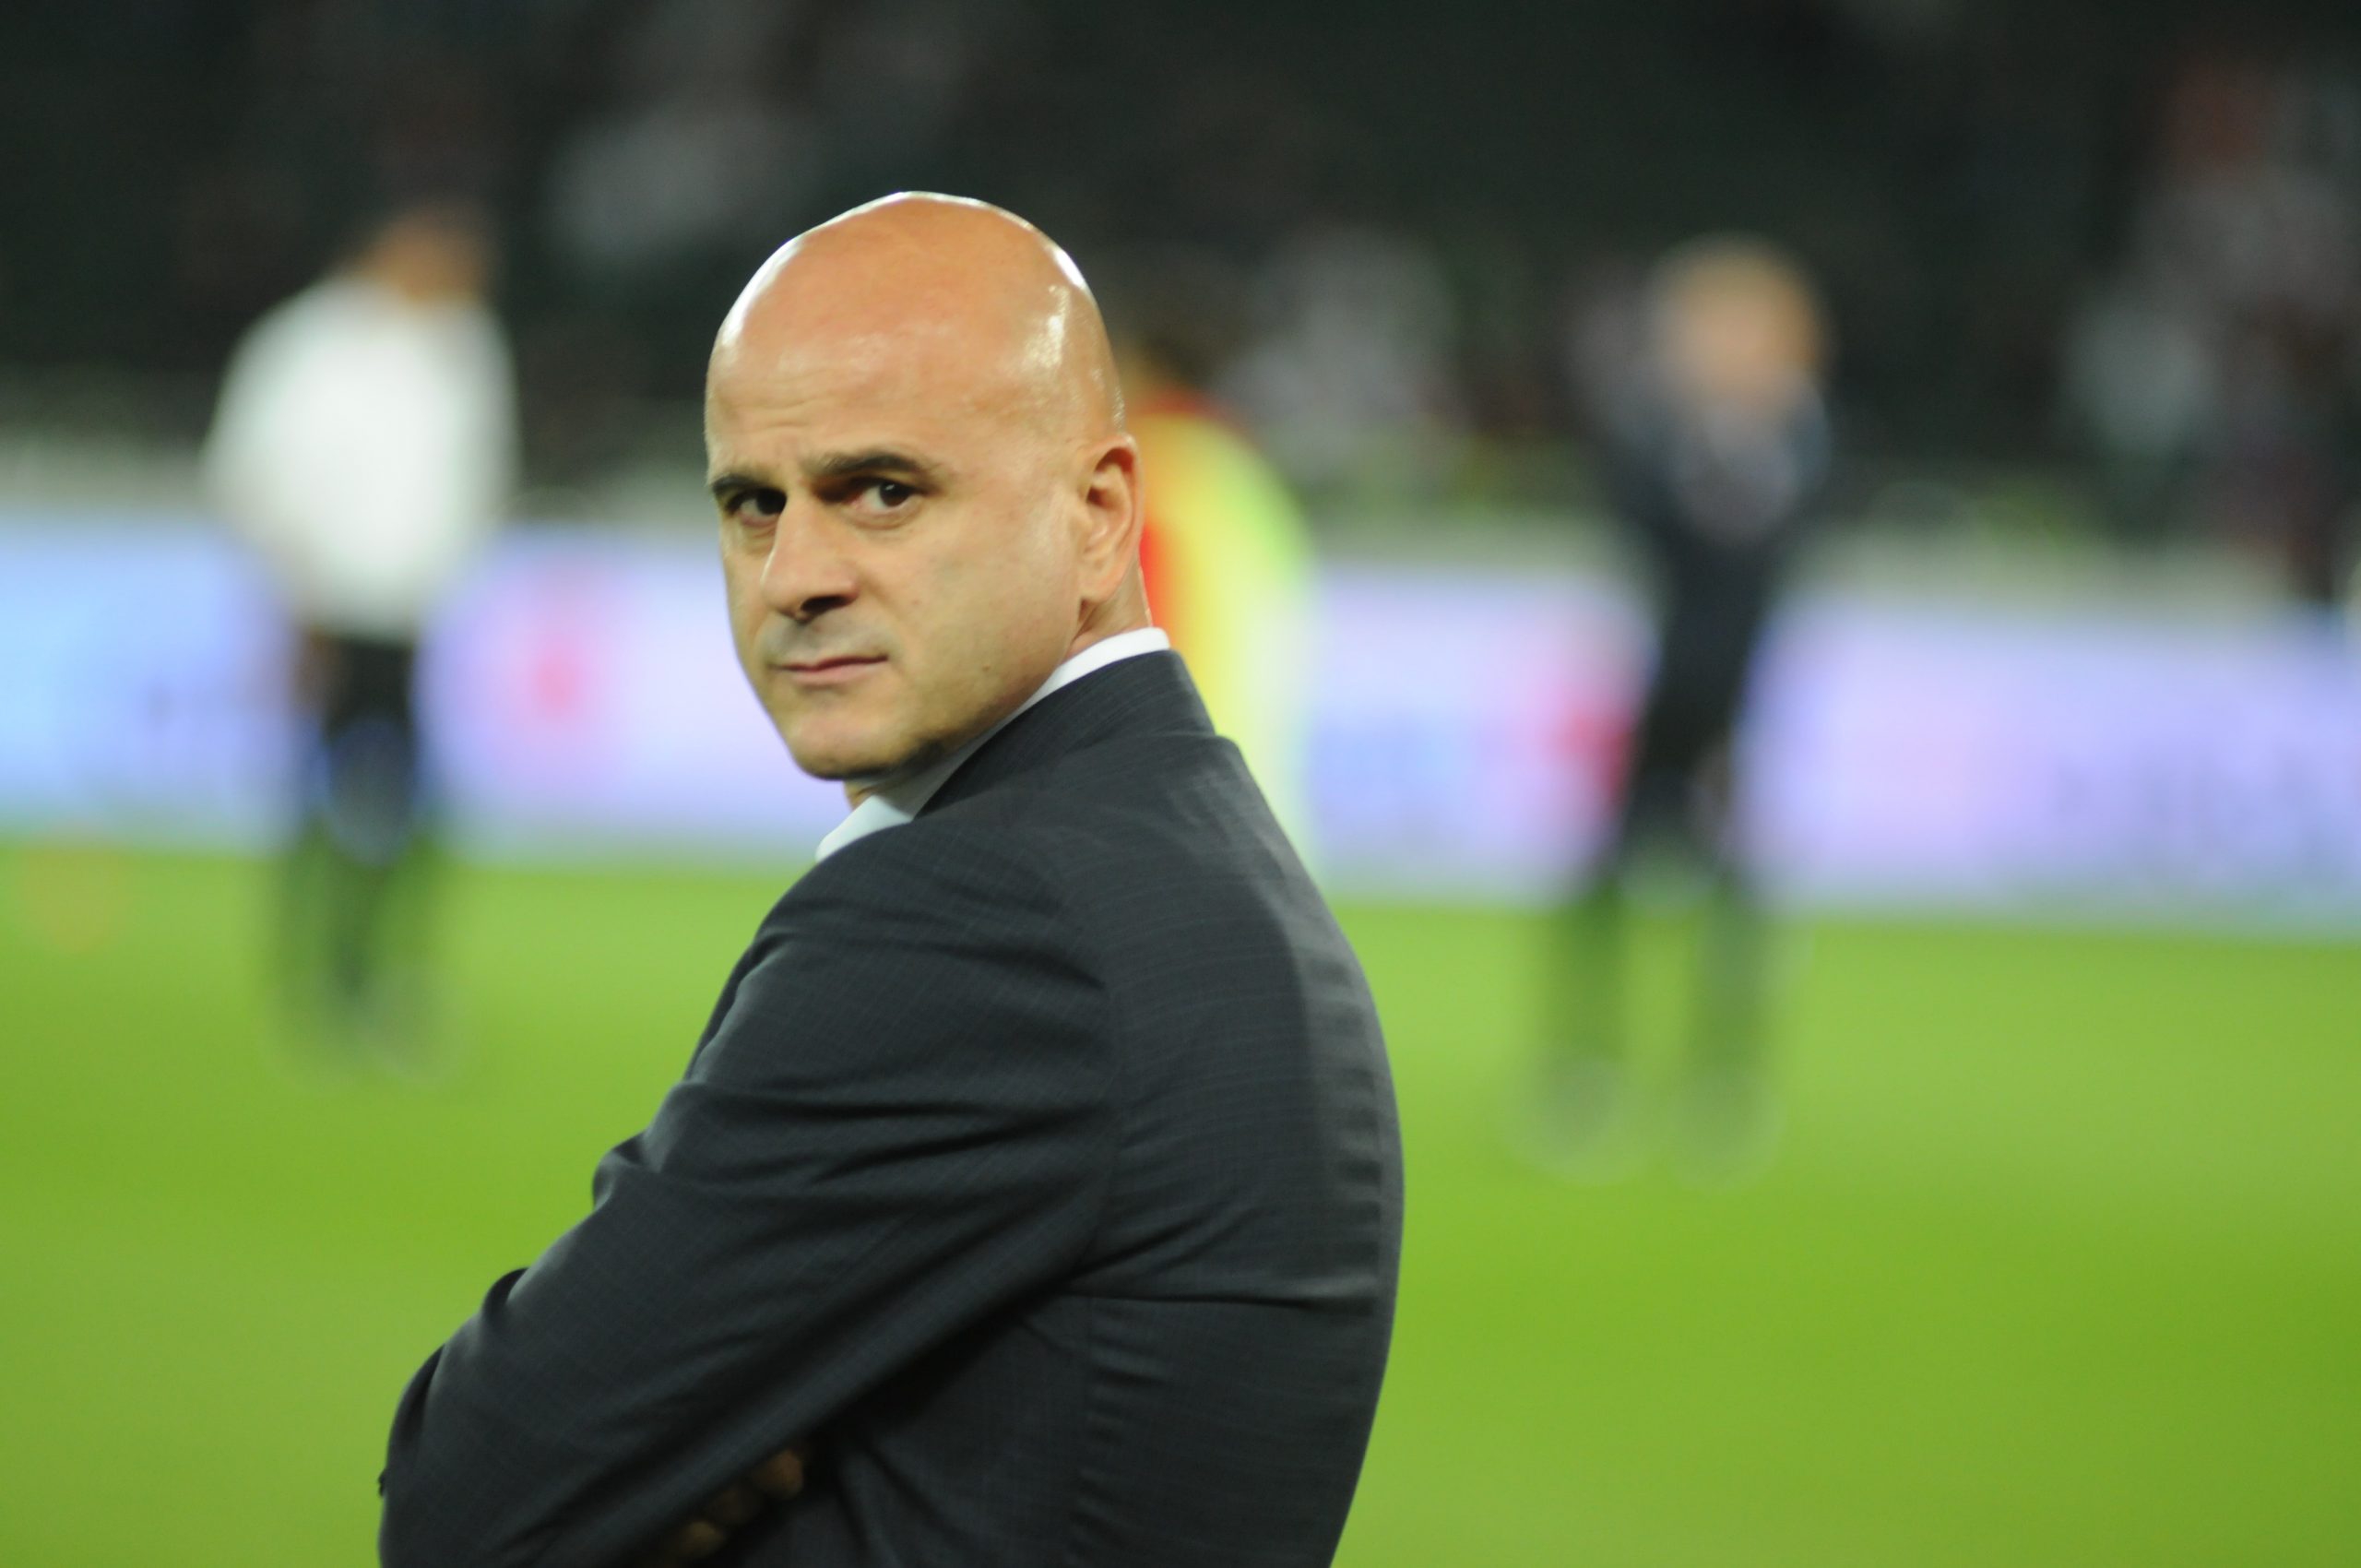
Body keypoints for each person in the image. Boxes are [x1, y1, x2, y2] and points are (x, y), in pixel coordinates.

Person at [378, 194, 1403, 1568]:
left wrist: (688, 1478)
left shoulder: (984, 916)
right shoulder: (1190, 858)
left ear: (1101, 515)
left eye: (882, 492)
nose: (794, 575)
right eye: (752, 504)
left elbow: (469, 1499)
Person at [1539, 236, 1831, 1182]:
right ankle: (1584, 1069)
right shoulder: (1654, 433)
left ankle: (1722, 1078)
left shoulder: (1798, 437)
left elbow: (1772, 564)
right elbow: (1636, 534)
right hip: (1651, 691)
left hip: (1733, 701)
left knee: (1734, 895)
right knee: (1603, 884)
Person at [204, 201, 516, 1058]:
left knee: (413, 809)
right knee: (313, 798)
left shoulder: (461, 347)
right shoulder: (307, 346)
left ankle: (380, 973)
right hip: (325, 610)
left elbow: (476, 477)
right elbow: (251, 476)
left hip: (413, 617)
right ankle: (305, 974)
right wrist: (293, 591)